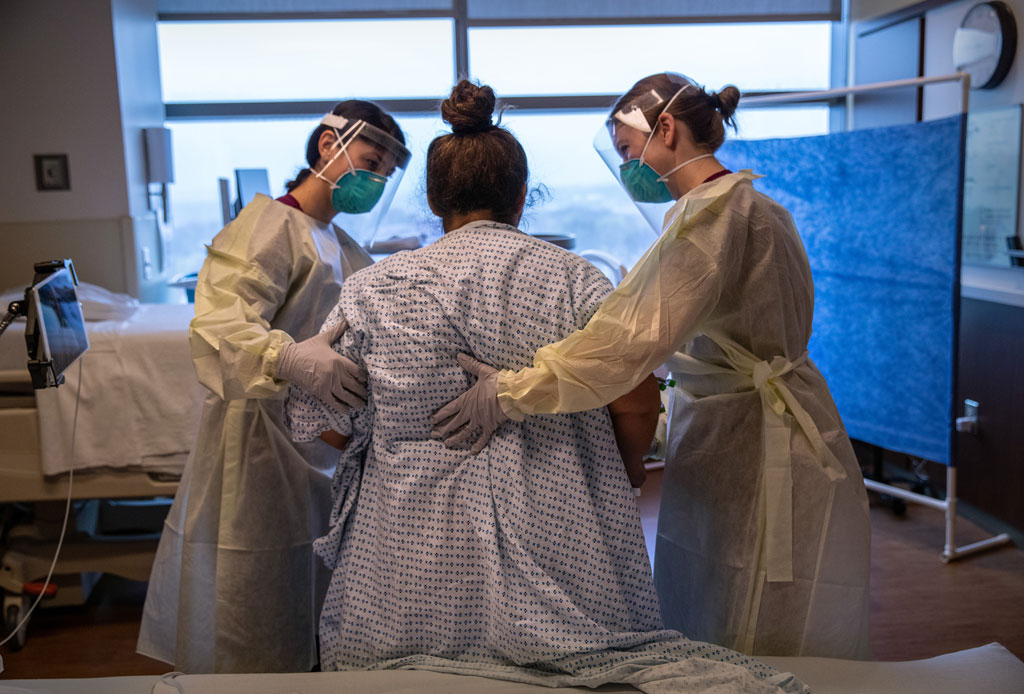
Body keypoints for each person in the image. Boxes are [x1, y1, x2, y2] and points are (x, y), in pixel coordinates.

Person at [281, 80, 806, 694]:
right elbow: (636, 398)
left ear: (433, 199)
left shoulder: (374, 287)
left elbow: (326, 422)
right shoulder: (576, 279)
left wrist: (395, 441)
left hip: (404, 556)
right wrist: (627, 470)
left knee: (403, 674)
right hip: (560, 534)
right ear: (521, 196)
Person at [430, 73, 871, 660]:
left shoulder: (711, 220)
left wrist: (512, 391)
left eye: (626, 150)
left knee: (752, 609)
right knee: (747, 597)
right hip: (762, 420)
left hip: (754, 437)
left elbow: (623, 344)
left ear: (665, 128)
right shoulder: (755, 205)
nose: (627, 167)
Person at [137, 101, 410, 673]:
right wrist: (284, 356)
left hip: (319, 441)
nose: (375, 180)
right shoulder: (269, 226)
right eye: (370, 162)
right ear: (328, 146)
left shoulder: (339, 242)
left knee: (309, 584)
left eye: (385, 173)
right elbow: (219, 322)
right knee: (255, 586)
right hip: (258, 437)